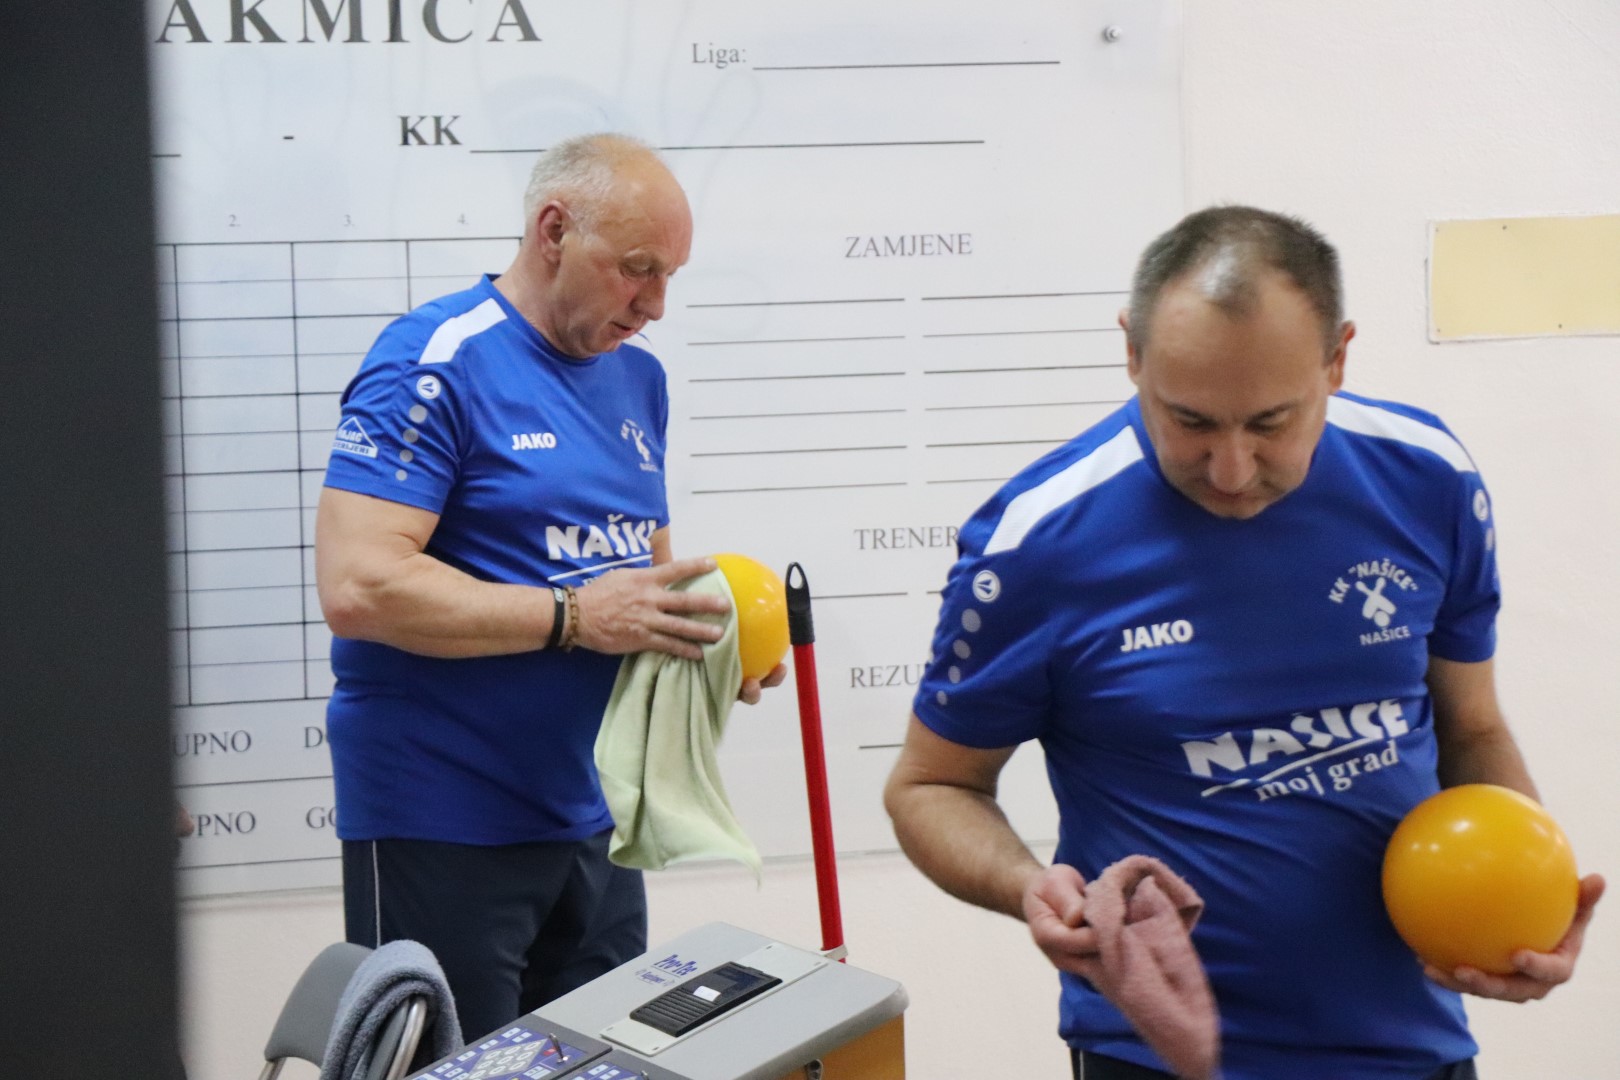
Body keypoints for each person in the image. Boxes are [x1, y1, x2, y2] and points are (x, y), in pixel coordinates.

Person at [884, 206, 1604, 1080]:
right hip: (1157, 1051)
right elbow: (931, 786)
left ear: (1337, 359)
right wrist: (1028, 886)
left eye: (1270, 423)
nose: (1231, 469)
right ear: (1132, 353)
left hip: (1412, 1045)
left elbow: (1473, 728)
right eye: (1190, 421)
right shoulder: (1036, 543)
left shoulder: (1429, 478)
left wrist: (1531, 905)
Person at [315, 133, 781, 1042]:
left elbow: (643, 584)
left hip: (596, 821)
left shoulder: (638, 378)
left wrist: (704, 646)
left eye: (670, 276)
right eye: (637, 269)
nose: (655, 304)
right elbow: (359, 585)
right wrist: (573, 616)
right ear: (553, 230)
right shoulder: (434, 358)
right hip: (443, 819)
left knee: (610, 1063)